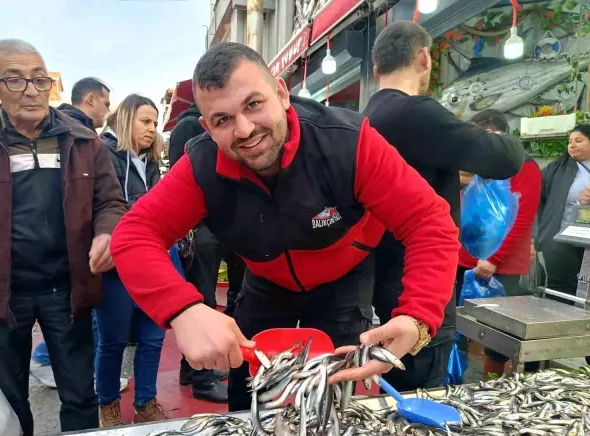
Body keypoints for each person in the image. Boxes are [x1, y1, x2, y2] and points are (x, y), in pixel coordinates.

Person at [110, 42, 461, 412]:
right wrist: (183, 310)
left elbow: (429, 221)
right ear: (207, 127)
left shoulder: (349, 142)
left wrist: (417, 316)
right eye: (222, 119)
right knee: (248, 399)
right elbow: (134, 234)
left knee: (333, 398)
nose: (244, 129)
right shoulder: (201, 167)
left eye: (253, 104)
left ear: (281, 93)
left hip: (344, 278)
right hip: (265, 281)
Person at [0, 39, 127, 436]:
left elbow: (111, 201)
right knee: (8, 401)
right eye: (15, 79)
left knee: (80, 394)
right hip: (0, 295)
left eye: (39, 79)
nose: (31, 90)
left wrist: (107, 231)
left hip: (68, 289)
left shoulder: (84, 141)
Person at [363, 21, 525, 391]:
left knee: (393, 374)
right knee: (421, 378)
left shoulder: (366, 117)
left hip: (381, 271)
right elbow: (505, 158)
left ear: (375, 70)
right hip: (421, 275)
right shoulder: (418, 114)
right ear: (424, 59)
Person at [31, 77, 129, 393]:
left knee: (80, 316)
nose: (107, 109)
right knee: (80, 317)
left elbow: (107, 198)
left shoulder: (83, 135)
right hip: (70, 249)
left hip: (75, 246)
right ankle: (48, 360)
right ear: (89, 99)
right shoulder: (70, 133)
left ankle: (61, 365)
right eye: (105, 101)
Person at [95, 94, 167, 426]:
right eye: (145, 121)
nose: (153, 129)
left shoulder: (150, 162)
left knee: (154, 337)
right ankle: (107, 402)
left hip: (155, 258)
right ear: (125, 119)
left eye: (155, 122)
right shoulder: (101, 154)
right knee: (113, 339)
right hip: (117, 262)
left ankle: (145, 402)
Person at [456, 109, 542, 376]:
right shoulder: (479, 168)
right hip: (465, 262)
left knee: (500, 339)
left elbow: (522, 219)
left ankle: (495, 387)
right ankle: (455, 381)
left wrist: (494, 259)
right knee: (459, 329)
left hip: (501, 267)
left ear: (492, 131)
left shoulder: (525, 167)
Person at [169, 104, 237, 404]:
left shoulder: (187, 127)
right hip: (202, 228)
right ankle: (202, 379)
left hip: (207, 227)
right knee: (203, 302)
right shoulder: (191, 129)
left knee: (204, 298)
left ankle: (191, 369)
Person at [537, 124, 590, 365]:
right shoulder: (556, 169)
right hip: (561, 238)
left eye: (579, 140)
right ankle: (557, 343)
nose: (572, 145)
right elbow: (539, 199)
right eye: (570, 141)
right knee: (560, 288)